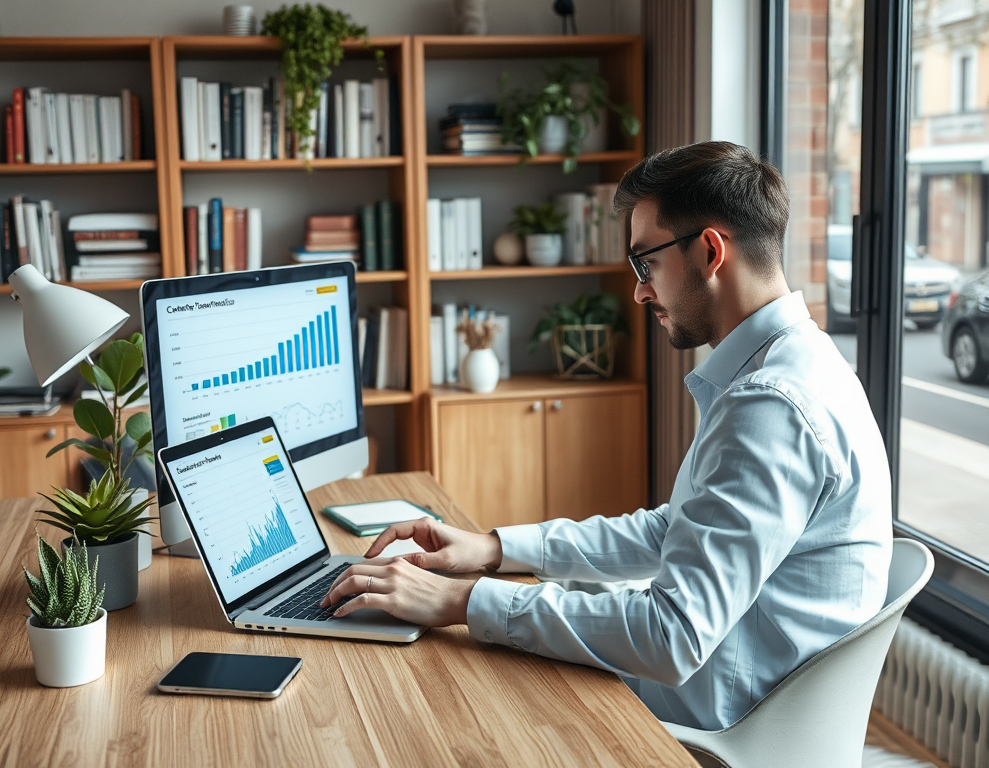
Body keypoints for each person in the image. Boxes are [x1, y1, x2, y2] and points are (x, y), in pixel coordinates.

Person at [321, 141, 892, 730]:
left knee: (446, 709)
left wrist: (460, 600)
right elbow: (675, 529)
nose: (641, 290)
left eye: (647, 263)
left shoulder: (770, 406)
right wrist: (492, 550)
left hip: (711, 730)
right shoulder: (803, 362)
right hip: (725, 691)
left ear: (711, 251)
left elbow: (672, 636)